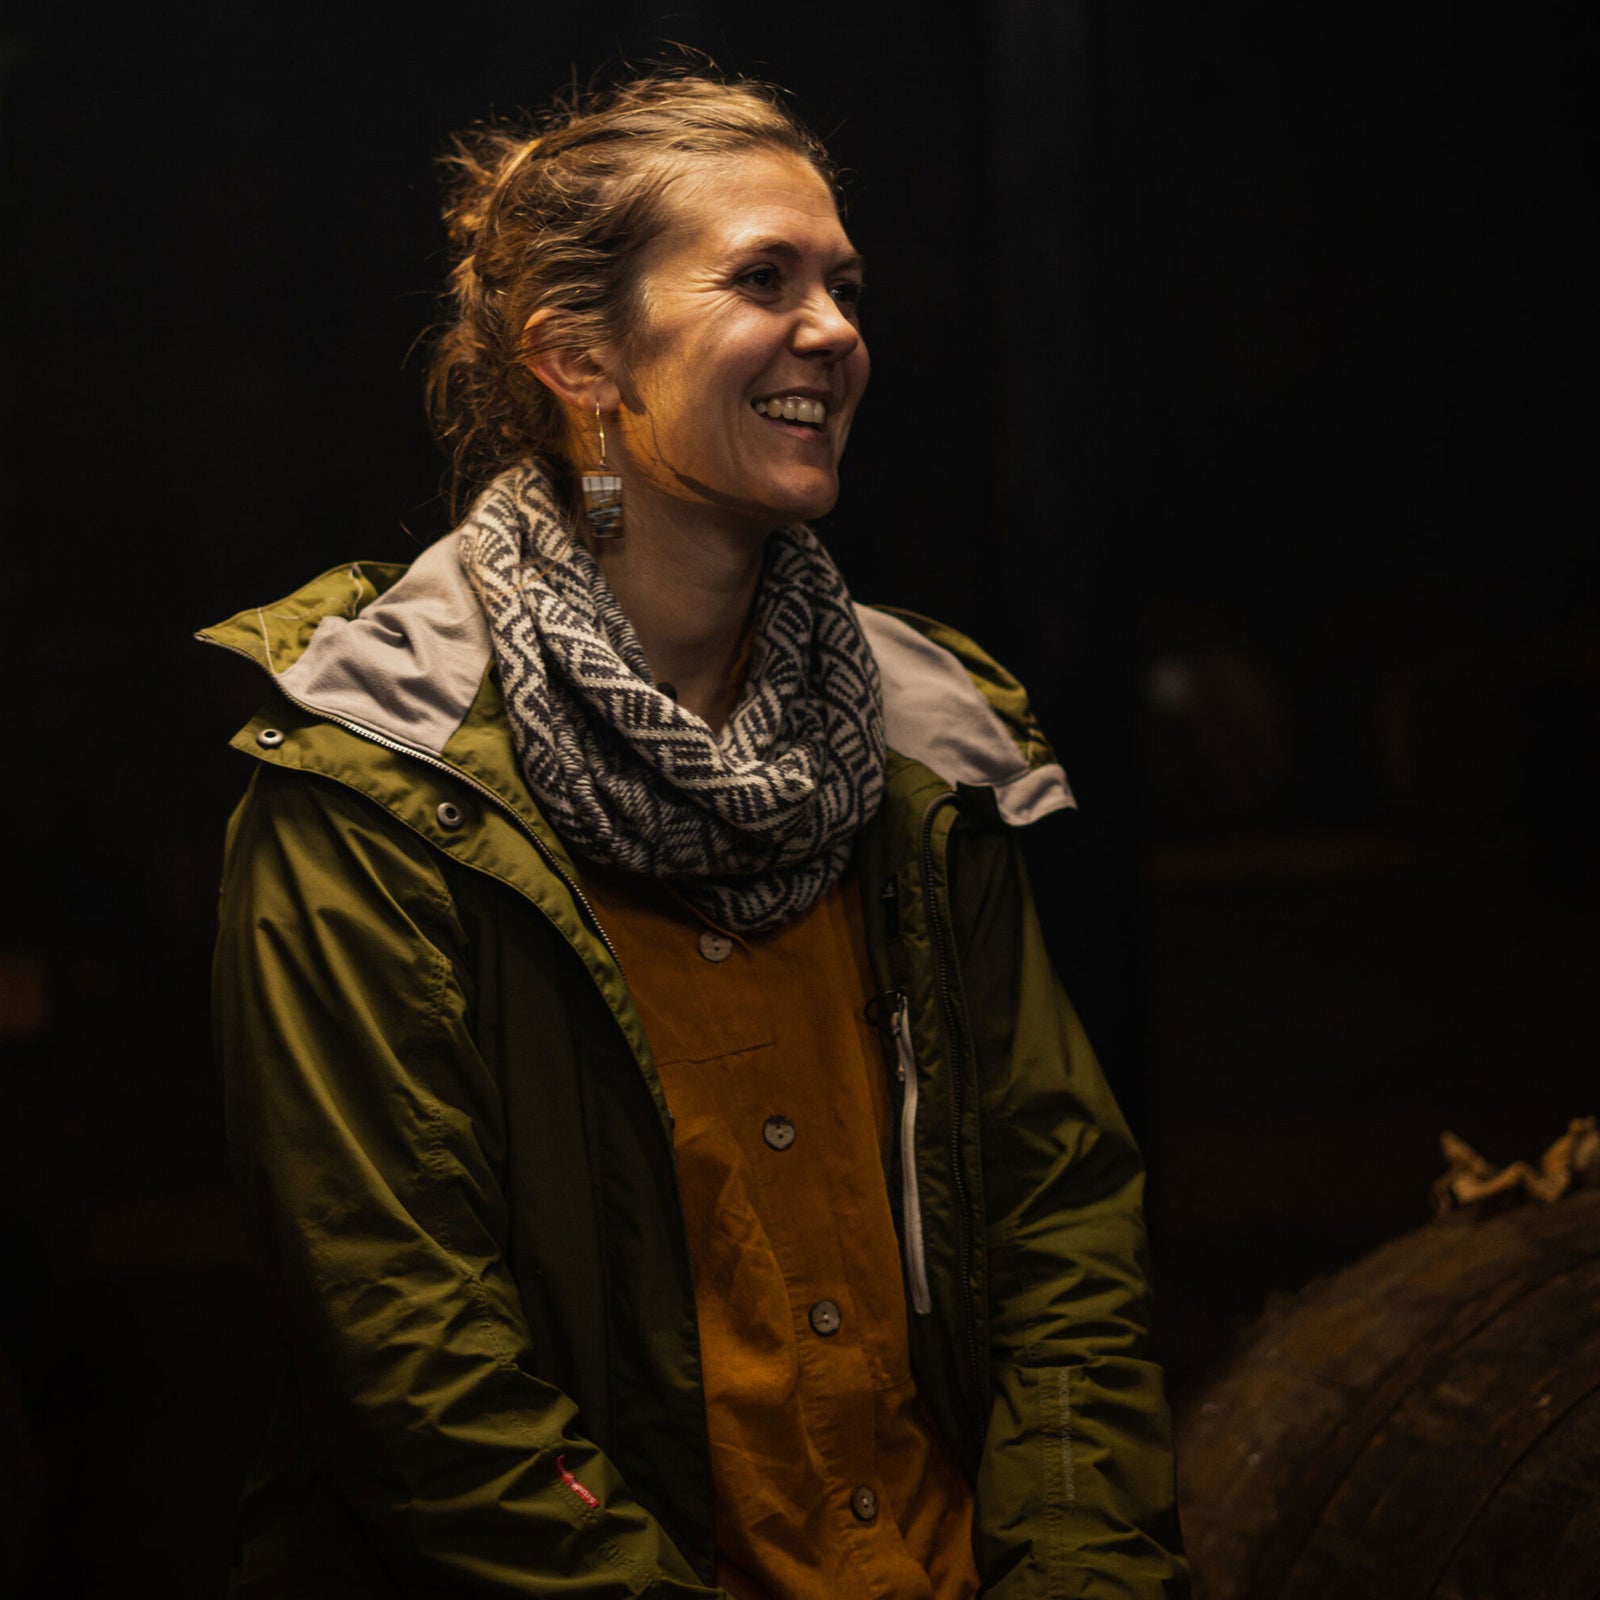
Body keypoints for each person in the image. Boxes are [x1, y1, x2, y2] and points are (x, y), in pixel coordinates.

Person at [203, 65, 1187, 1599]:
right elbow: (403, 1350)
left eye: (844, 284)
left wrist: (1084, 1573)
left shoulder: (922, 748)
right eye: (762, 278)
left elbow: (1061, 1228)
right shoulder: (379, 781)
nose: (837, 329)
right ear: (582, 360)